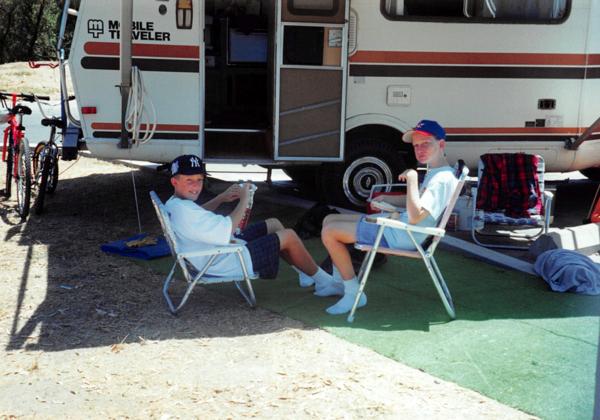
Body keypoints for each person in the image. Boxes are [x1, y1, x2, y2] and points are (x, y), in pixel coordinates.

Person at [319, 120, 459, 315]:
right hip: (400, 228)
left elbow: (416, 216)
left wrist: (411, 179)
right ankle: (337, 282)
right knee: (329, 220)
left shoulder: (440, 180)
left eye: (426, 143)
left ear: (441, 144)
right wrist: (389, 199)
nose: (420, 149)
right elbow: (417, 202)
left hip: (402, 235)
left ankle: (353, 294)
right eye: (416, 145)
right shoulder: (438, 173)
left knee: (330, 232)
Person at [164, 154, 334, 288]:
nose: (195, 186)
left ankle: (304, 272)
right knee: (288, 236)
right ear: (174, 181)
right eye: (189, 180)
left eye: (199, 179)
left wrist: (221, 198)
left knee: (273, 224)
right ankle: (325, 281)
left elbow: (199, 214)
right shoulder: (184, 210)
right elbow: (230, 226)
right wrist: (244, 199)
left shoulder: (175, 204)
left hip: (215, 254)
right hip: (222, 262)